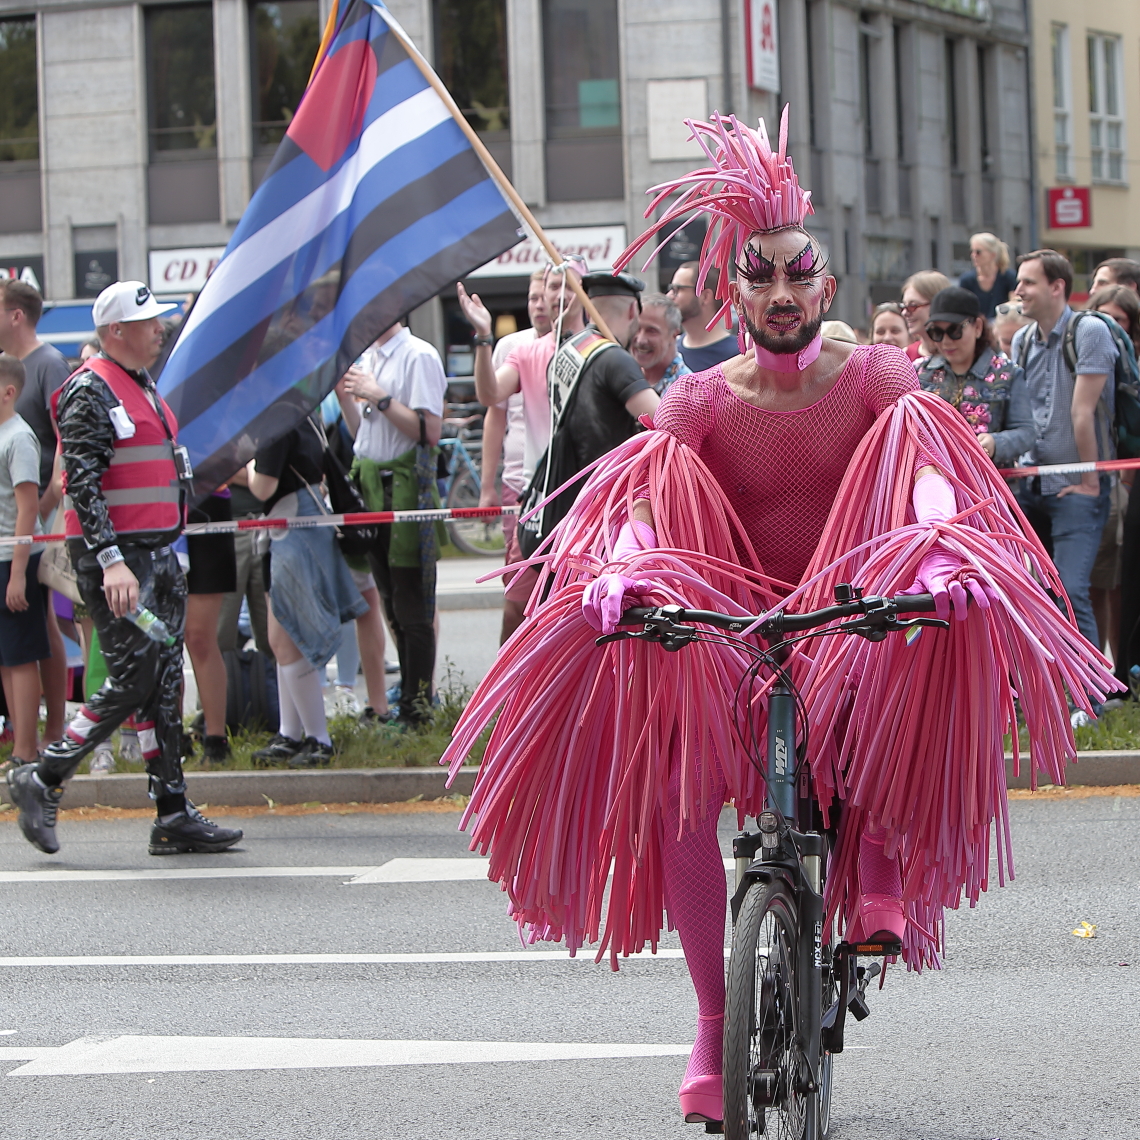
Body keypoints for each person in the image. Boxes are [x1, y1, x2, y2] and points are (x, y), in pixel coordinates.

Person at [442, 109, 1112, 1129]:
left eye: (800, 274)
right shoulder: (699, 401)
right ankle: (713, 1027)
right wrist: (623, 569)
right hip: (736, 634)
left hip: (853, 611)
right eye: (762, 276)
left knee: (907, 649)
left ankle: (878, 878)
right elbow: (638, 499)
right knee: (675, 789)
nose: (784, 292)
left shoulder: (880, 380)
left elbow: (929, 474)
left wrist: (937, 546)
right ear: (734, 289)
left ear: (826, 287)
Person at [6, 281, 243, 856]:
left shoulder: (142, 386)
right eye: (149, 322)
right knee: (136, 674)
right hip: (119, 562)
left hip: (156, 557)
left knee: (161, 682)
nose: (159, 328)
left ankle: (172, 812)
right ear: (117, 332)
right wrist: (112, 562)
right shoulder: (89, 389)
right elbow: (79, 481)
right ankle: (43, 775)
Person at [459, 259, 587, 638]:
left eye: (569, 285)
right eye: (550, 287)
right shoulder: (524, 350)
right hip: (531, 495)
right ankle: (509, 694)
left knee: (574, 608)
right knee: (519, 603)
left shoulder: (600, 348)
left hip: (585, 496)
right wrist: (483, 338)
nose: (557, 295)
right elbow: (491, 398)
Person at [336, 321, 448, 726]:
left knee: (412, 606)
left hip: (404, 491)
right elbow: (363, 434)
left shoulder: (417, 354)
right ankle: (409, 705)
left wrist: (379, 397)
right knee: (392, 605)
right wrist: (349, 396)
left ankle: (418, 711)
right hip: (372, 488)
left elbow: (429, 431)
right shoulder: (370, 356)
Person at [1012, 250, 1119, 650]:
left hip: (1077, 486)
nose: (1018, 290)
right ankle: (1054, 695)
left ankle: (1090, 703)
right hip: (1031, 485)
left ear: (1057, 287)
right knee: (1039, 595)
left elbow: (1083, 412)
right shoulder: (1022, 340)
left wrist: (1090, 480)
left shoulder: (1088, 331)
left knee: (1072, 588)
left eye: (1028, 282)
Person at [247, 415, 369, 764]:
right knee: (283, 640)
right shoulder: (299, 413)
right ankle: (292, 733)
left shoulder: (275, 421)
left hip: (293, 534)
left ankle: (317, 738)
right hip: (297, 530)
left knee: (287, 640)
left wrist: (241, 468)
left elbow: (263, 487)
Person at [0, 279, 69, 746]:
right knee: (31, 631)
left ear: (16, 314)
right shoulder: (11, 368)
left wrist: (43, 507)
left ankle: (53, 728)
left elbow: (66, 439)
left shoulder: (48, 363)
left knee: (40, 628)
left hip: (37, 518)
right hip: (21, 518)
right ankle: (26, 731)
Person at [479, 270, 551, 579]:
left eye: (545, 298)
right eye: (533, 298)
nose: (539, 306)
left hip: (562, 482)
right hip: (517, 482)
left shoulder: (584, 346)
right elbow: (494, 412)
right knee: (516, 586)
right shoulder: (511, 347)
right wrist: (486, 487)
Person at [915, 286, 1033, 466]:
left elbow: (1026, 433)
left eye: (955, 331)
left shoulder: (1008, 373)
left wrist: (996, 443)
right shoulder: (918, 372)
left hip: (989, 484)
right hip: (935, 483)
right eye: (936, 333)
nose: (946, 341)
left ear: (977, 327)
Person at [0, 355, 50, 769]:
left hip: (14, 560)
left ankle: (26, 750)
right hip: (2, 556)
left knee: (21, 655)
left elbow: (27, 508)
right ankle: (19, 741)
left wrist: (17, 573)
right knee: (6, 655)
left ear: (8, 391)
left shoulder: (18, 438)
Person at [1088, 285, 1140, 663]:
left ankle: (1125, 665)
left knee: (1123, 580)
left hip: (1125, 478)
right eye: (1101, 319)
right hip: (1108, 482)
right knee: (1102, 581)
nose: (1108, 328)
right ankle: (1113, 669)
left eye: (1117, 321)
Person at [668, 261, 739, 372]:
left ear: (705, 296)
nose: (669, 295)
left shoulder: (737, 355)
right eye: (671, 289)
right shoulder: (671, 349)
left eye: (677, 289)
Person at [631, 292, 691, 394]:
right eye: (636, 328)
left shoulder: (688, 391)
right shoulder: (625, 378)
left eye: (651, 331)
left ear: (674, 335)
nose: (641, 340)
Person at [958, 232, 1018, 319]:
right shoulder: (966, 280)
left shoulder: (1008, 277)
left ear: (992, 255)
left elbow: (1015, 302)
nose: (973, 255)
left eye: (978, 252)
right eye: (972, 251)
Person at [900, 270, 953, 360]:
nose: (904, 313)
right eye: (903, 306)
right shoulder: (905, 356)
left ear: (937, 305)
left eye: (913, 305)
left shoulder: (957, 354)